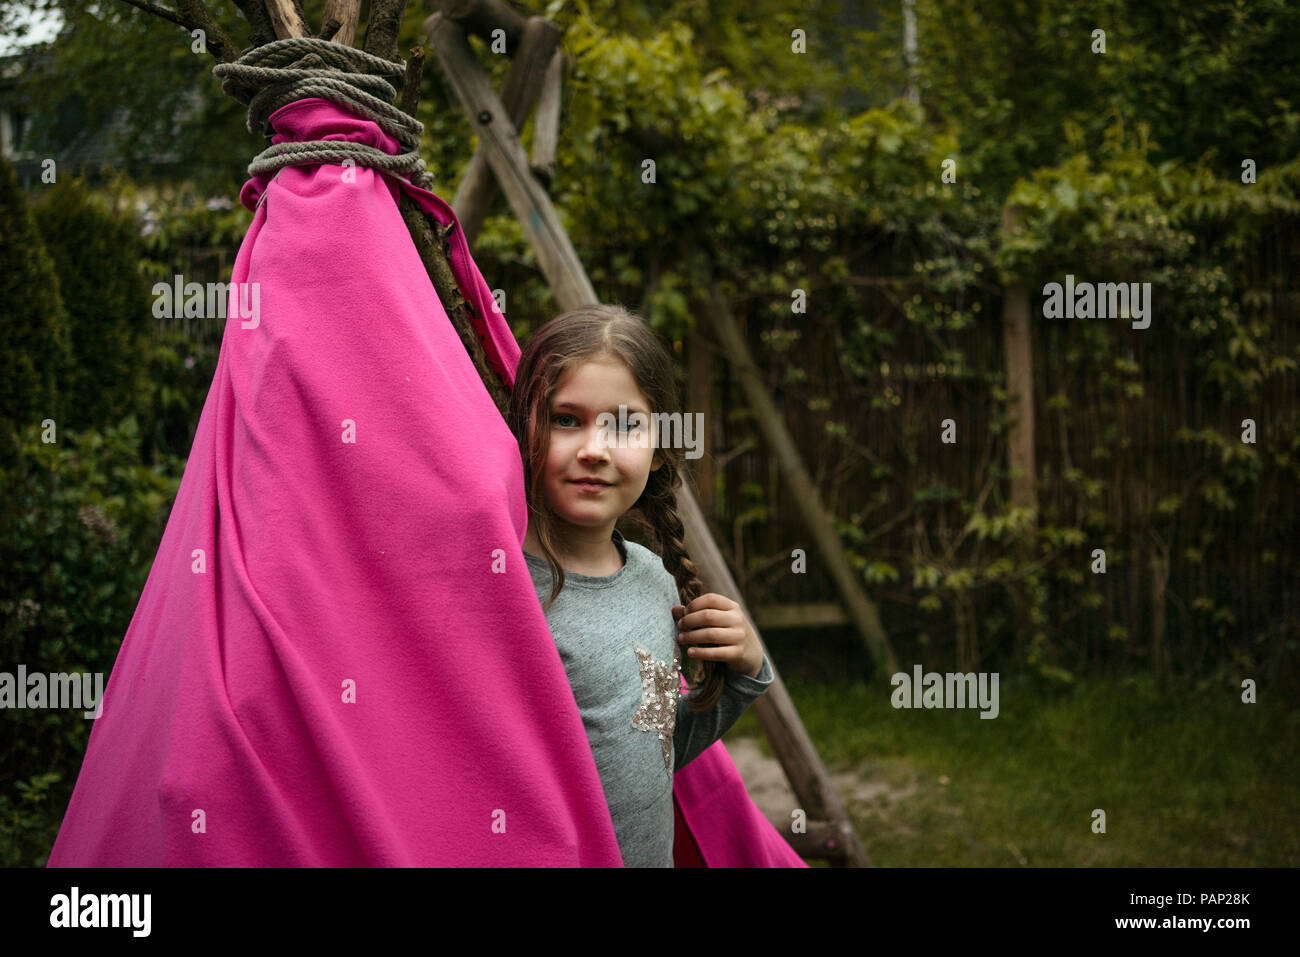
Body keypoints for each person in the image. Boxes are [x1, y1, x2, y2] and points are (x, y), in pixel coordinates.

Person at [507, 302, 775, 867]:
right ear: (522, 428)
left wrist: (744, 671)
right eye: (565, 418)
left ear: (659, 451)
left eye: (624, 424)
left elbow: (655, 748)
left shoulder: (654, 582)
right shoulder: (505, 595)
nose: (594, 450)